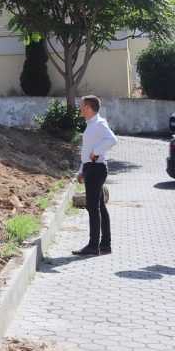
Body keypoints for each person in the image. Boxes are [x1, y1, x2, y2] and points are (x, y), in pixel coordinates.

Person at [73, 95, 117, 256]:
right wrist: (81, 169)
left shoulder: (99, 124)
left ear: (88, 108)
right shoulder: (92, 124)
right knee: (99, 206)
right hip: (91, 168)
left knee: (93, 207)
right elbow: (87, 150)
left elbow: (112, 139)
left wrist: (96, 152)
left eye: (82, 105)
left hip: (95, 169)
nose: (80, 108)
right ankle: (105, 245)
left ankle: (93, 246)